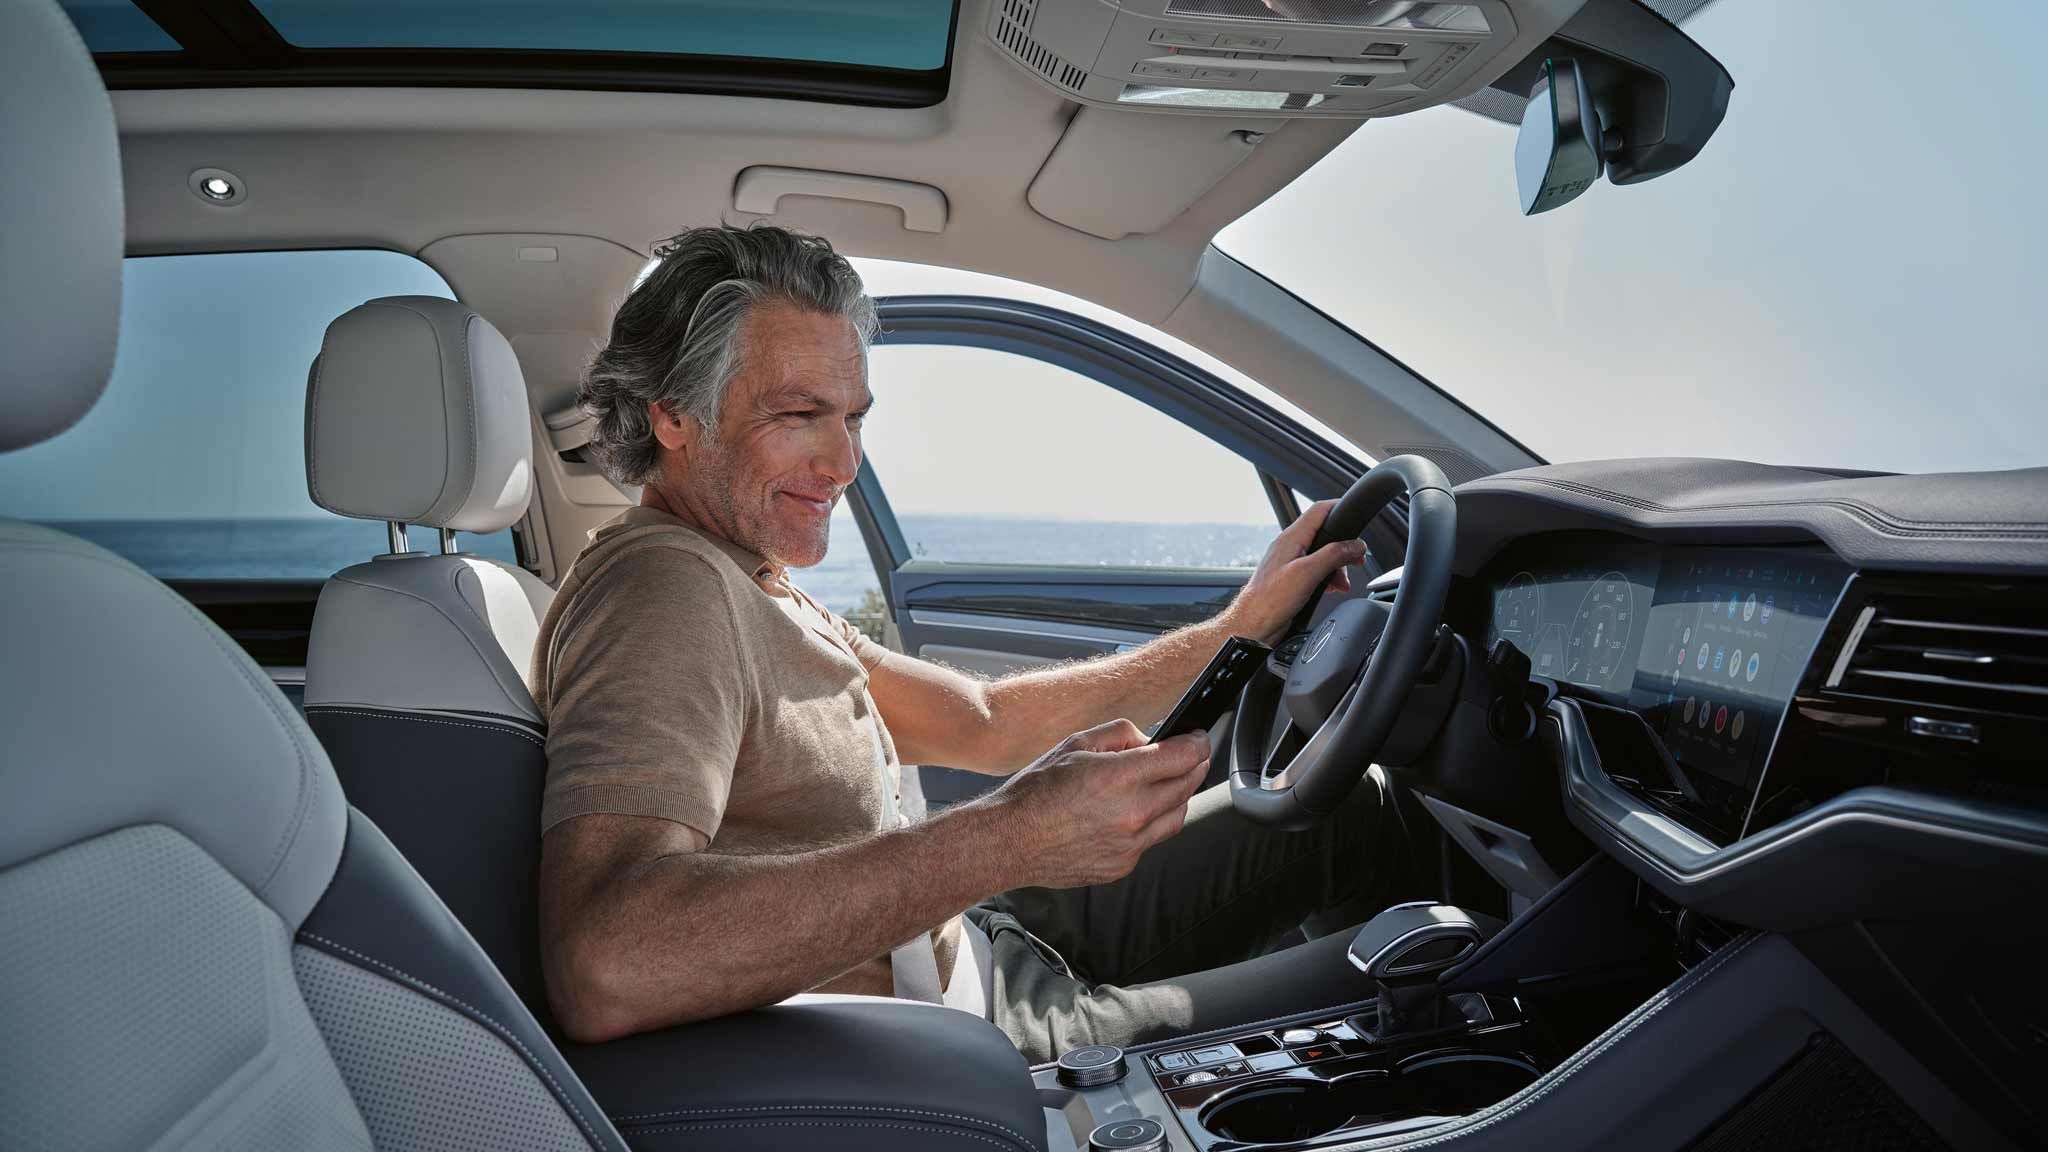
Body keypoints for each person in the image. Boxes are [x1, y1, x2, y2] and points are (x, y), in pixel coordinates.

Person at [534, 224, 1400, 1061]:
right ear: (674, 417)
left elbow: (984, 721)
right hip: (951, 1041)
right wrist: (1005, 837)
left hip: (972, 942)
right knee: (1435, 962)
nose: (843, 463)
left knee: (1354, 808)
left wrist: (1240, 629)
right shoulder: (663, 594)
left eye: (854, 418)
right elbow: (609, 962)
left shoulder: (747, 577)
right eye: (799, 413)